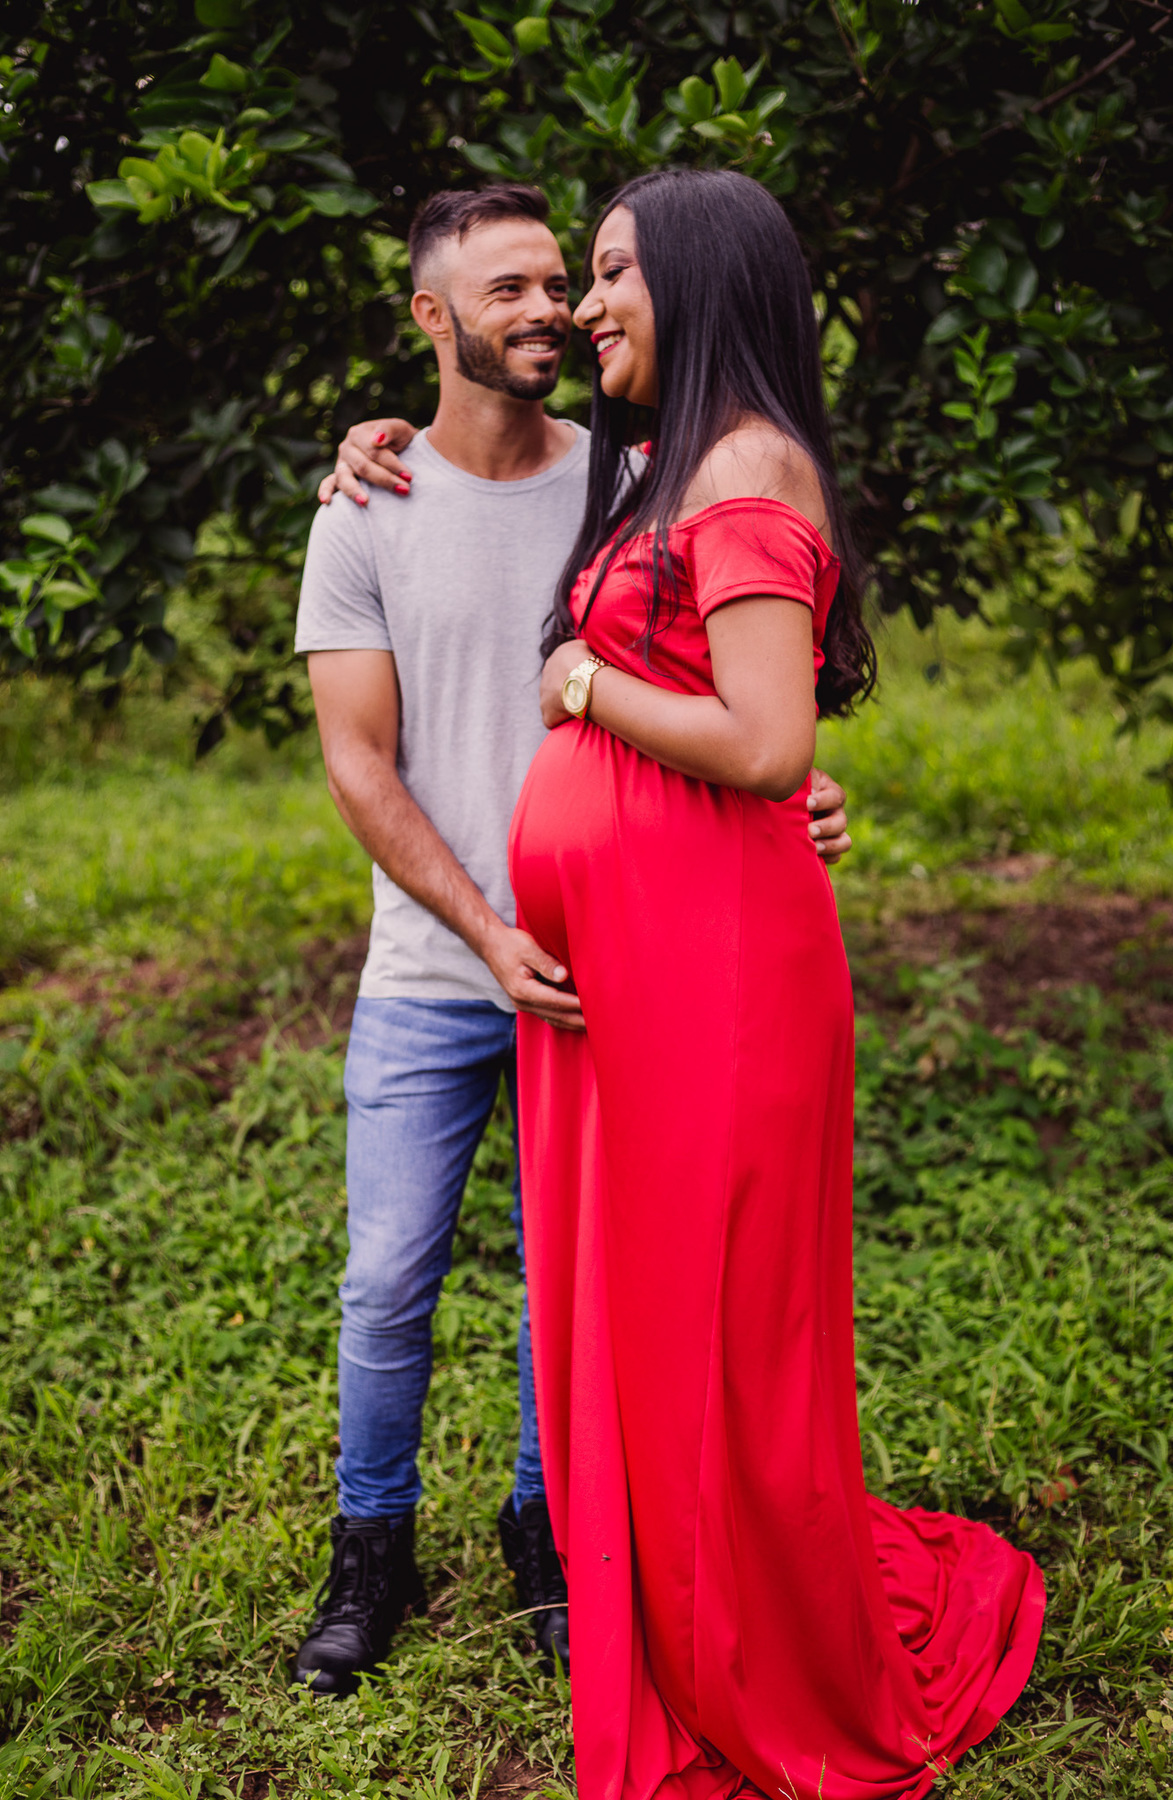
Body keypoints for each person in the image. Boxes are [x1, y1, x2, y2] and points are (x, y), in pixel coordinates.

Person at [508, 168, 1045, 1800]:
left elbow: (762, 741)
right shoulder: (665, 465)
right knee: (648, 1312)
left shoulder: (746, 468)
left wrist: (581, 685)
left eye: (612, 272)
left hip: (716, 980)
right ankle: (676, 1614)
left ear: (697, 277)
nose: (586, 305)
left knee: (714, 1323)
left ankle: (748, 1647)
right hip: (636, 969)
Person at [290, 181, 855, 1697]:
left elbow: (732, 667)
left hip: (614, 966)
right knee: (387, 1281)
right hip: (437, 968)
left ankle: (554, 1534)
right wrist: (489, 935)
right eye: (514, 290)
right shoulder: (366, 505)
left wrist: (784, 793)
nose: (552, 309)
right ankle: (370, 1550)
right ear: (432, 317)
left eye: (566, 282)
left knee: (580, 1276)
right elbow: (359, 765)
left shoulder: (636, 472)